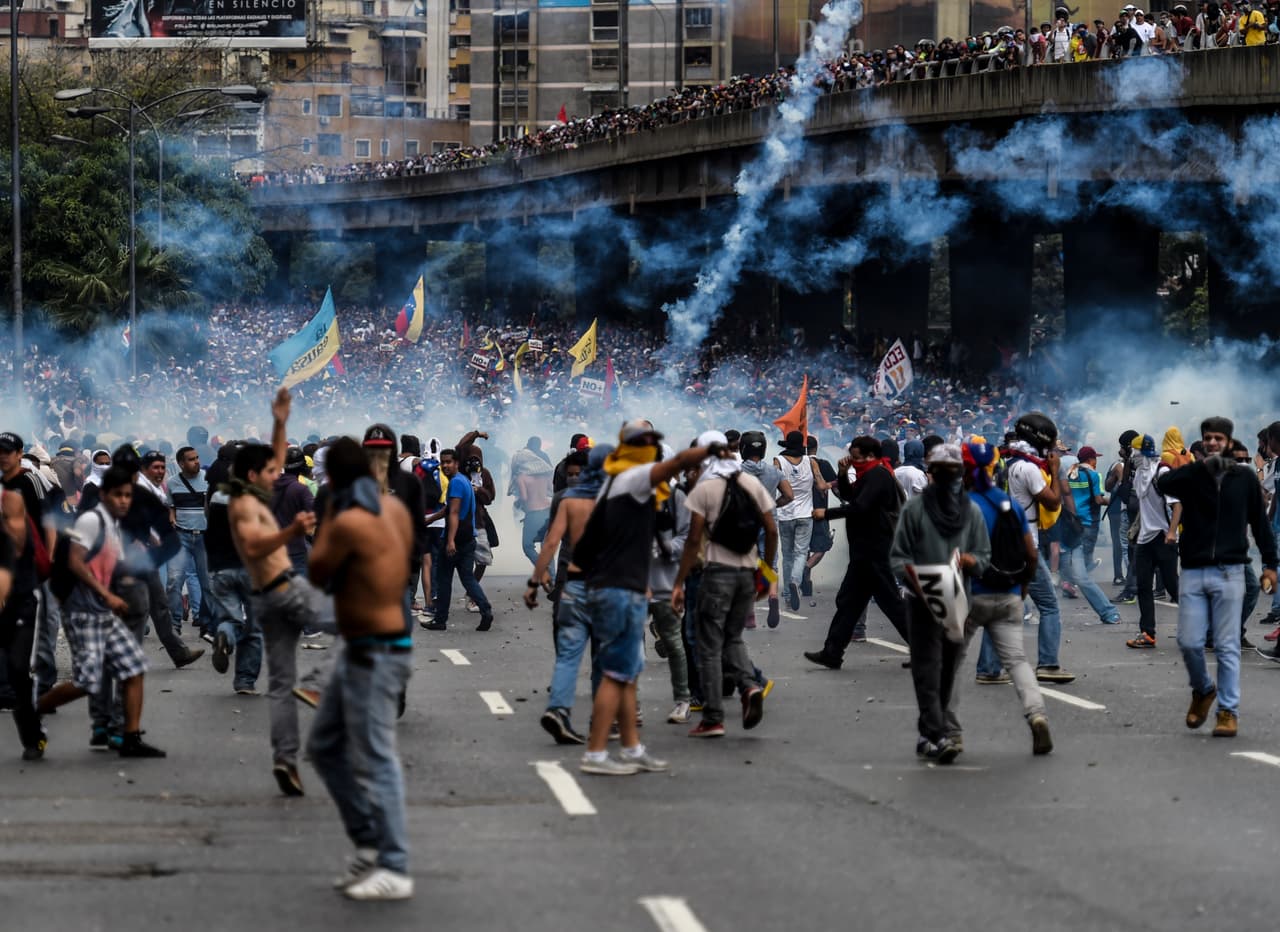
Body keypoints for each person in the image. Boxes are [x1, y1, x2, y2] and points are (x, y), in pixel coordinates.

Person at [306, 438, 415, 901]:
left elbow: (317, 570)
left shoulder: (349, 520)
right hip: (367, 645)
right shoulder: (395, 511)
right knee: (325, 746)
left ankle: (394, 865)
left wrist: (328, 513)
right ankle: (369, 841)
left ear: (333, 479)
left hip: (374, 650)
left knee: (375, 757)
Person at [575, 420, 710, 776]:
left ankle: (632, 748)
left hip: (623, 587)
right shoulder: (632, 478)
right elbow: (678, 464)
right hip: (620, 590)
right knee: (616, 674)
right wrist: (713, 449)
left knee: (628, 673)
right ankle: (596, 754)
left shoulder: (616, 483)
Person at [1157, 417, 1278, 737]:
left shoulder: (1245, 480)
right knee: (1188, 641)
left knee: (1226, 646)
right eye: (1207, 438)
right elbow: (1164, 484)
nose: (1212, 442)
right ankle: (1202, 690)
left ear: (1228, 442)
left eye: (1218, 438)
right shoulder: (1193, 475)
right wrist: (1195, 466)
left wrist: (1270, 563)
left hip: (1230, 570)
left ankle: (1228, 711)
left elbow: (1260, 524)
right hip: (1194, 569)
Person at [227, 387, 319, 796]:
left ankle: (286, 760)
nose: (277, 473)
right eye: (269, 471)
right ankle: (321, 678)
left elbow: (277, 458)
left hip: (267, 599)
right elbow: (252, 547)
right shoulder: (244, 506)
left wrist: (280, 421)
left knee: (281, 685)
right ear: (252, 476)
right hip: (283, 590)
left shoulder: (256, 493)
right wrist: (293, 531)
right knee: (366, 618)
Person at [37, 467, 166, 758]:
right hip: (83, 612)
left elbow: (111, 566)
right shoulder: (91, 521)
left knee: (134, 668)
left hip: (103, 613)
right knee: (87, 681)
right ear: (104, 494)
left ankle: (129, 737)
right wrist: (108, 594)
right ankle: (33, 709)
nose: (123, 500)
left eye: (127, 495)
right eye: (118, 495)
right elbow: (76, 562)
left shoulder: (113, 524)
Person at [673, 432, 778, 738]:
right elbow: (770, 530)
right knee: (732, 639)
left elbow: (694, 540)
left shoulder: (705, 487)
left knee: (708, 644)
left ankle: (713, 716)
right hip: (748, 573)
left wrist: (678, 582)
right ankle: (750, 686)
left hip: (716, 573)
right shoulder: (750, 482)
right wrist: (767, 572)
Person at [890, 443, 990, 763]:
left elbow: (984, 557)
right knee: (926, 667)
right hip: (921, 597)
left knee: (947, 668)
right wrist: (918, 580)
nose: (947, 479)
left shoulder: (971, 512)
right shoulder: (914, 510)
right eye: (941, 472)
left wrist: (969, 561)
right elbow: (898, 556)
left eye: (953, 472)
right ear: (930, 474)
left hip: (957, 596)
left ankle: (928, 729)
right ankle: (937, 733)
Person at [962, 442, 1052, 755]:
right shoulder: (1008, 504)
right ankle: (1037, 715)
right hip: (1009, 593)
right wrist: (1022, 588)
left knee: (944, 663)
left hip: (971, 597)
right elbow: (1029, 554)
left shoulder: (960, 505)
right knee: (1017, 662)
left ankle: (943, 730)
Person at [804, 436, 910, 670]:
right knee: (849, 601)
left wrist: (826, 514)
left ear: (870, 456)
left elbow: (859, 507)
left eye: (856, 456)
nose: (852, 460)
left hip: (874, 550)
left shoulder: (878, 475)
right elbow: (850, 495)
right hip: (864, 551)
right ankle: (832, 652)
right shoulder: (868, 475)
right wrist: (842, 473)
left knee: (891, 603)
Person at [525, 447, 599, 744]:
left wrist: (535, 580)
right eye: (569, 475)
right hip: (581, 582)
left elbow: (550, 541)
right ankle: (609, 719)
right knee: (585, 651)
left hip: (581, 583)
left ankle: (562, 710)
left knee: (575, 653)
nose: (573, 480)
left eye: (578, 474)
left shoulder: (598, 500)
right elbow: (551, 539)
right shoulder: (569, 500)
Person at [422, 448, 493, 632]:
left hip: (456, 539)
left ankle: (440, 619)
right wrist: (430, 519)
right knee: (468, 578)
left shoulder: (456, 483)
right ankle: (486, 611)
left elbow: (453, 513)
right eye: (443, 462)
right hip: (468, 538)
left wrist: (451, 540)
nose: (445, 465)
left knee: (444, 579)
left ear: (456, 463)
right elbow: (449, 509)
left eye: (449, 462)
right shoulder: (464, 481)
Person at [1, 486, 46, 759]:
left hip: (18, 599)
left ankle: (32, 736)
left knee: (18, 668)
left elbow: (16, 548)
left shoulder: (11, 502)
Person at [1126, 434, 1182, 649]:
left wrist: (1171, 532)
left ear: (1143, 451)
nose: (1132, 455)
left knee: (1172, 586)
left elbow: (1177, 505)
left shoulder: (1162, 472)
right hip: (1144, 539)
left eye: (1134, 450)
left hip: (1162, 537)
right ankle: (1147, 633)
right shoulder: (1140, 474)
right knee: (1143, 587)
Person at [773, 430, 829, 611]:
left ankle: (789, 593)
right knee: (800, 552)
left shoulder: (778, 461)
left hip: (785, 513)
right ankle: (795, 583)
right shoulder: (811, 461)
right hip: (806, 514)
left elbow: (773, 482)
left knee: (787, 554)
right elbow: (821, 485)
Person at [166, 445, 211, 639]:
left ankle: (207, 624)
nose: (196, 462)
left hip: (204, 537)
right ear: (181, 463)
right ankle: (175, 625)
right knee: (174, 581)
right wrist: (172, 518)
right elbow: (171, 506)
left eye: (197, 458)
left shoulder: (208, 480)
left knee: (207, 583)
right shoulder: (173, 483)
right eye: (191, 459)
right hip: (181, 536)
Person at [510, 437, 555, 568]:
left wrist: (519, 504)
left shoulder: (522, 477)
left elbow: (524, 497)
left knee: (527, 546)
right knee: (546, 546)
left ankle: (544, 569)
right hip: (547, 511)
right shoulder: (544, 471)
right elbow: (551, 492)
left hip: (533, 513)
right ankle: (552, 577)